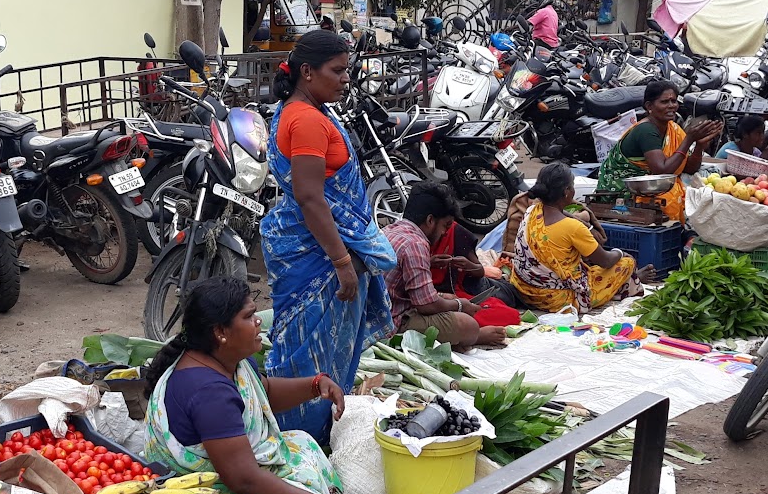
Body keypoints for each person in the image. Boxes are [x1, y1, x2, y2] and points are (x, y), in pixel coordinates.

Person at [143, 277, 366, 494]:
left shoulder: (227, 359)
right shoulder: (208, 391)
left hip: (236, 471)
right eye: (248, 316)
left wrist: (316, 384)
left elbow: (264, 392)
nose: (259, 321)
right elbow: (244, 480)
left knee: (303, 442)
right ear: (221, 332)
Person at [261, 29, 396, 447]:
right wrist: (341, 263)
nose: (345, 79)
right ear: (307, 72)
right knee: (310, 353)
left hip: (310, 245)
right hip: (315, 253)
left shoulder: (303, 111)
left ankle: (307, 437)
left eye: (347, 71)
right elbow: (309, 195)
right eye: (337, 71)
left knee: (312, 349)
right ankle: (302, 440)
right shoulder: (304, 119)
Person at [383, 183, 512, 349]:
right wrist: (460, 305)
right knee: (468, 324)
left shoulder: (390, 229)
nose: (445, 233)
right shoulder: (416, 244)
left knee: (450, 299)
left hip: (388, 310)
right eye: (446, 225)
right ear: (430, 220)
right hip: (393, 322)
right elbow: (426, 305)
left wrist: (446, 296)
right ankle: (475, 336)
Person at [510, 163, 648, 314]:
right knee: (626, 263)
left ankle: (627, 281)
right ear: (567, 192)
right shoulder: (573, 228)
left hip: (526, 291)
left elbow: (561, 215)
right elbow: (606, 261)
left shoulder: (531, 211)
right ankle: (629, 281)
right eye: (572, 186)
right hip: (560, 301)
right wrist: (620, 253)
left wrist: (581, 221)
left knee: (584, 265)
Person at [594, 79, 719, 222]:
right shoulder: (645, 130)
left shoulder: (673, 129)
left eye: (674, 101)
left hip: (649, 189)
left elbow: (689, 169)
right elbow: (662, 171)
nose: (671, 106)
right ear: (649, 106)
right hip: (623, 193)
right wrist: (689, 139)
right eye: (664, 102)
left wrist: (699, 147)